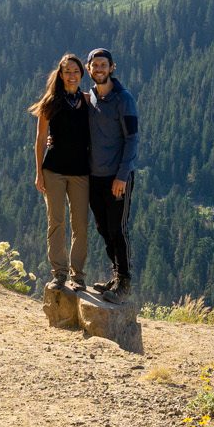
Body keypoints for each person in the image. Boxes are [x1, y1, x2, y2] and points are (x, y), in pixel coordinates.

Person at [30, 53, 92, 288]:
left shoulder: (88, 101)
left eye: (76, 71)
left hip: (80, 171)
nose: (72, 75)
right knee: (55, 222)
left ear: (81, 74)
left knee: (80, 225)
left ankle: (78, 275)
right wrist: (38, 172)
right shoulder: (50, 102)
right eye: (68, 71)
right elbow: (40, 138)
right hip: (53, 170)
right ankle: (59, 273)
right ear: (61, 74)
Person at [81, 47, 139, 297]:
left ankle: (124, 282)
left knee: (118, 229)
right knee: (103, 228)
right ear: (89, 69)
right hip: (95, 176)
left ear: (112, 68)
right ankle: (115, 276)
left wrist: (122, 176)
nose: (99, 69)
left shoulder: (124, 99)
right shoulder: (91, 97)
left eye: (104, 65)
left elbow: (133, 139)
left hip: (118, 177)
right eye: (95, 66)